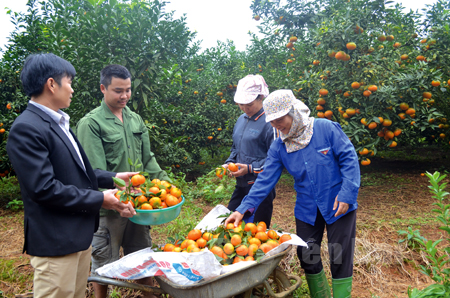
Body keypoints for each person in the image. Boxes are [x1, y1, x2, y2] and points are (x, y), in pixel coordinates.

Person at [6, 53, 137, 298]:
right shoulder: (27, 127)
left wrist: (115, 177)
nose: (73, 90)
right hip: (56, 243)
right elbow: (44, 188)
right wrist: (101, 199)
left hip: (78, 235)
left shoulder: (58, 123)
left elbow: (77, 173)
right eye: (69, 82)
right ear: (51, 84)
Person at [225, 89, 360, 298]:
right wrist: (242, 208)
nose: (276, 125)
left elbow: (349, 159)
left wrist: (347, 193)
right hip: (307, 208)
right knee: (308, 254)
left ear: (293, 112)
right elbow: (265, 179)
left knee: (339, 255)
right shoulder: (279, 146)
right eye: (272, 121)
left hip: (337, 203)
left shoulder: (324, 128)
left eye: (280, 119)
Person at [76, 64, 170, 298]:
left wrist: (166, 184)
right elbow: (94, 173)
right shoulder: (92, 124)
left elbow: (148, 159)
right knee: (103, 262)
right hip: (109, 207)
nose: (125, 96)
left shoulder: (135, 120)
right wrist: (113, 200)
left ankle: (148, 294)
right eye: (118, 90)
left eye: (128, 90)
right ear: (103, 88)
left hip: (139, 205)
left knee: (141, 255)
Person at [222, 74, 277, 227]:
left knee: (256, 230)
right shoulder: (241, 119)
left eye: (249, 104)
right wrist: (230, 162)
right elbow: (236, 147)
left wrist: (250, 168)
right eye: (241, 104)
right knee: (230, 224)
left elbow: (276, 159)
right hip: (241, 184)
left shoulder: (270, 122)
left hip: (260, 185)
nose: (245, 108)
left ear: (261, 97)